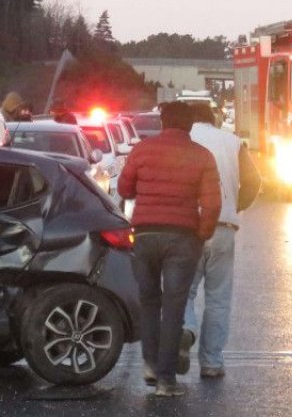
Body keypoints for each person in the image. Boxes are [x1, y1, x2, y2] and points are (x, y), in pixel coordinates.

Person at [118, 101, 221, 398]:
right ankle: (166, 380)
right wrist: (202, 234)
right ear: (190, 126)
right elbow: (212, 204)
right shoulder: (202, 156)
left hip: (146, 235)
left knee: (149, 301)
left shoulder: (142, 150)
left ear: (163, 123)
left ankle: (149, 365)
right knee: (174, 308)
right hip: (182, 238)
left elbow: (125, 189)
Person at [181, 101, 262, 380]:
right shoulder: (233, 141)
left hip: (188, 227)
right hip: (223, 227)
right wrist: (235, 207)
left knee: (184, 290)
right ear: (213, 119)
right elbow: (253, 181)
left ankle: (185, 331)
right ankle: (212, 362)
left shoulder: (183, 139)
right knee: (218, 298)